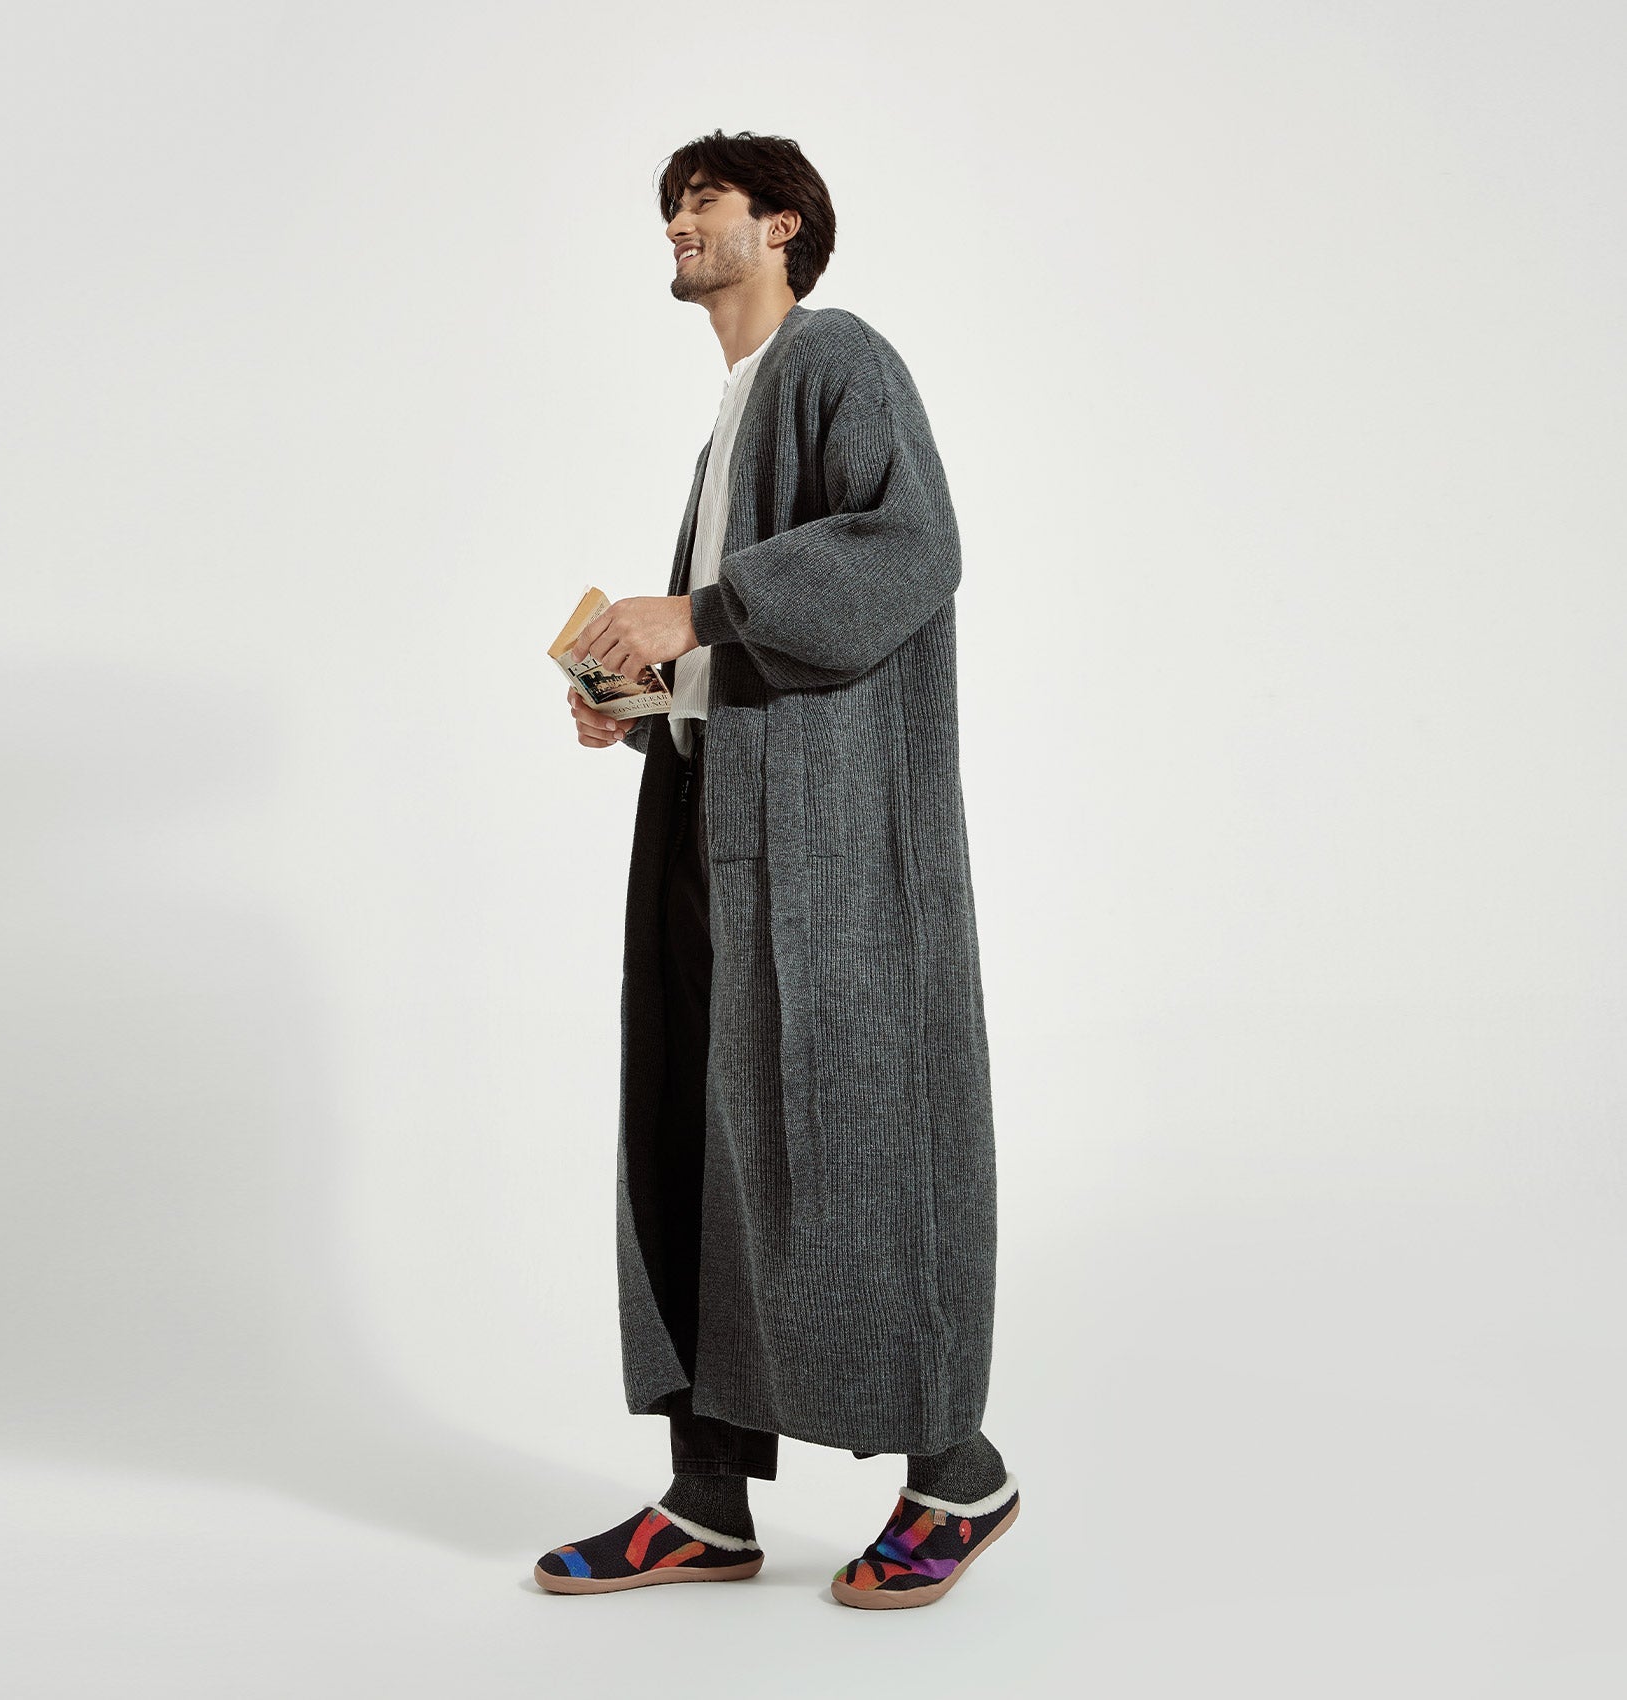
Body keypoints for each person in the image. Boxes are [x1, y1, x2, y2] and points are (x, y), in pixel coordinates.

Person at [539, 129, 1015, 1609]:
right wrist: (645, 700)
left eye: (704, 200)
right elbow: (748, 646)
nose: (678, 222)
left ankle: (957, 1473)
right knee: (700, 1139)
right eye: (671, 205)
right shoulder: (727, 423)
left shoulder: (837, 359)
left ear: (785, 224)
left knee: (861, 1145)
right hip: (715, 835)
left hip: (835, 858)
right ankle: (707, 1502)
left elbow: (911, 547)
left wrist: (695, 612)